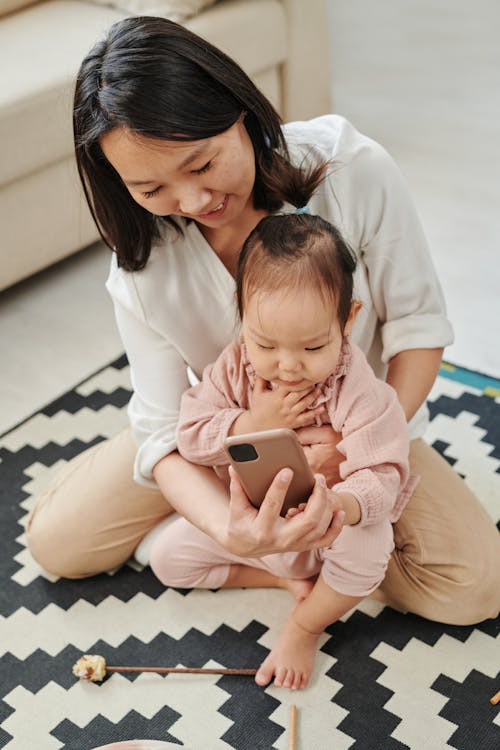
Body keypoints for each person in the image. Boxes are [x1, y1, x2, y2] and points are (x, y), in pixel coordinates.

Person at [26, 16, 500, 632]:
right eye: (150, 187)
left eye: (202, 164)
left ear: (240, 113)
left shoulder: (351, 169)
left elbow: (417, 326)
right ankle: (257, 546)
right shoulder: (144, 264)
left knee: (473, 589)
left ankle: (300, 551)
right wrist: (228, 523)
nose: (193, 203)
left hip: (358, 430)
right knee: (57, 547)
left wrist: (355, 457)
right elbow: (168, 430)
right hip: (219, 431)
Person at [150, 212, 420, 689]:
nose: (288, 365)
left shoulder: (360, 391)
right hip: (252, 530)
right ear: (241, 313)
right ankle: (284, 583)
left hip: (324, 531)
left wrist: (341, 504)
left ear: (348, 320)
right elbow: (189, 435)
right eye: (265, 343)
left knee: (369, 550)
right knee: (166, 559)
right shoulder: (233, 368)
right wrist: (250, 423)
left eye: (314, 347)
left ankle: (305, 623)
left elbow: (383, 474)